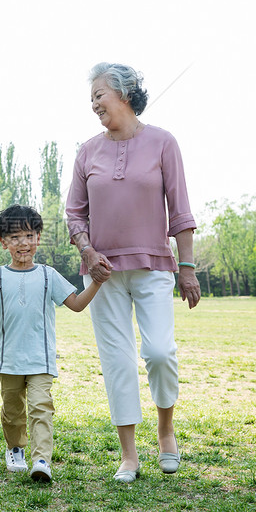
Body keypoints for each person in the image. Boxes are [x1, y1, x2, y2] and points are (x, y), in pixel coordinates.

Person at [65, 62, 201, 482]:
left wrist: (188, 267)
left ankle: (165, 430)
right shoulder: (87, 150)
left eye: (99, 95)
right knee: (118, 361)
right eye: (91, 98)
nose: (93, 104)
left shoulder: (163, 143)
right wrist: (87, 252)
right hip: (101, 273)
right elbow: (74, 213)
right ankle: (128, 455)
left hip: (153, 265)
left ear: (123, 94)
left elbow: (180, 211)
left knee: (159, 352)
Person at [0, 204, 103, 483]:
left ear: (38, 237)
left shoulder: (49, 275)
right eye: (14, 238)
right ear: (3, 243)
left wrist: (96, 283)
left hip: (41, 360)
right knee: (12, 411)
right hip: (9, 360)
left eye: (28, 235)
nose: (22, 243)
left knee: (41, 407)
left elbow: (76, 305)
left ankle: (41, 460)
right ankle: (15, 448)